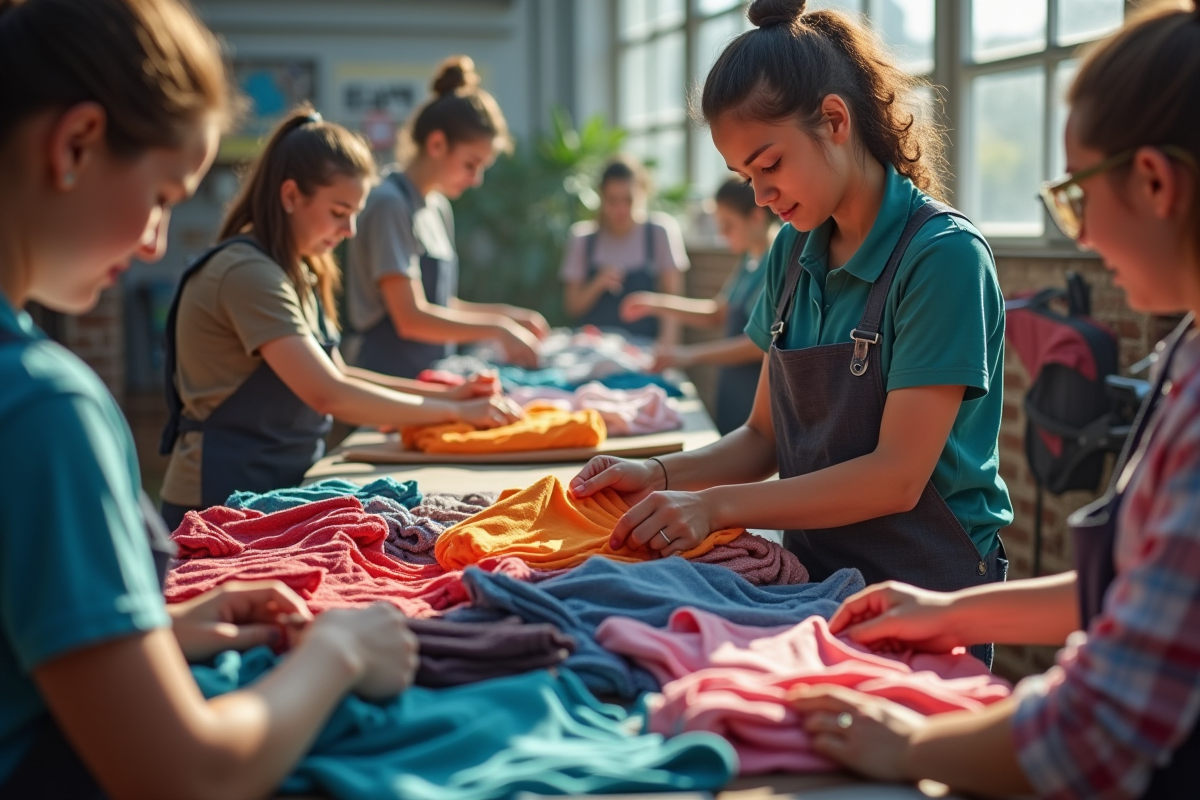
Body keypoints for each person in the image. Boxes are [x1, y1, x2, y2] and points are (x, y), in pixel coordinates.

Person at [0, 2, 419, 798]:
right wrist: (342, 652)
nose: (158, 240)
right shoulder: (42, 408)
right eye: (161, 195)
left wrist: (163, 632)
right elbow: (184, 773)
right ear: (76, 144)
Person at [787, 4, 1200, 798]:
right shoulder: (1185, 351)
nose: (1081, 237)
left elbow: (1097, 729)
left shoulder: (941, 256)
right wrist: (949, 614)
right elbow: (1129, 583)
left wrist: (911, 745)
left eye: (1078, 198)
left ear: (1153, 180)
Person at [570, 0, 1011, 620]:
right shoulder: (792, 250)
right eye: (743, 175)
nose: (760, 193)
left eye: (770, 164)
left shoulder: (943, 259)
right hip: (812, 583)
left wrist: (717, 506)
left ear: (835, 120)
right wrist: (658, 474)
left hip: (927, 594)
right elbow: (760, 439)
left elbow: (897, 476)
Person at [159, 105, 522, 529]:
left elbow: (339, 372)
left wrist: (451, 397)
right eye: (338, 212)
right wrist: (455, 413)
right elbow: (328, 393)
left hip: (269, 487)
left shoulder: (297, 268)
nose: (349, 230)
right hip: (215, 500)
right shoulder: (247, 273)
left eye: (355, 213)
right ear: (291, 196)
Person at [344, 56, 549, 379]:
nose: (476, 179)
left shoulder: (437, 206)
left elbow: (439, 305)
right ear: (437, 143)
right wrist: (498, 328)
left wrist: (509, 317)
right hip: (386, 383)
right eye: (471, 164)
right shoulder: (390, 205)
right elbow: (410, 317)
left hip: (430, 380)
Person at [619, 178, 776, 433]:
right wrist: (655, 303)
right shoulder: (751, 258)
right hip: (732, 385)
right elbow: (717, 313)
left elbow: (761, 344)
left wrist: (689, 355)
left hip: (756, 390)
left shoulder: (775, 261)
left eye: (728, 226)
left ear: (757, 218)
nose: (722, 235)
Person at [561, 155, 690, 344]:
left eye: (628, 200)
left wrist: (666, 353)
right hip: (593, 347)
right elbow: (573, 308)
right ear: (601, 198)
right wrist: (598, 283)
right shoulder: (583, 238)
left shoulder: (659, 233)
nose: (621, 209)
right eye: (612, 201)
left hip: (644, 348)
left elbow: (673, 304)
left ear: (643, 194)